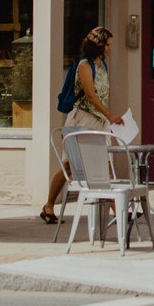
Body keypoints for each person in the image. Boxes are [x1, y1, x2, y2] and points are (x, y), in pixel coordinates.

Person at [39, 26, 115, 225]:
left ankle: (118, 211)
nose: (109, 49)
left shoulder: (102, 66)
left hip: (99, 122)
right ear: (98, 45)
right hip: (81, 120)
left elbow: (102, 97)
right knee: (69, 166)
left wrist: (106, 118)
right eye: (107, 45)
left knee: (104, 164)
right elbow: (90, 96)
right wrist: (110, 115)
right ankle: (48, 205)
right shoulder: (85, 65)